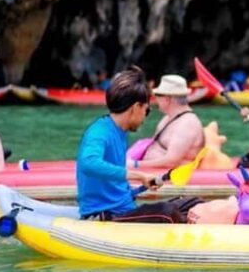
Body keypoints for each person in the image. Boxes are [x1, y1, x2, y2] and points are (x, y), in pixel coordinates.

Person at [77, 66, 201, 223]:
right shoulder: (99, 132)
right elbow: (88, 163)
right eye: (146, 110)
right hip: (105, 214)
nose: (145, 117)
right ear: (136, 108)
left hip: (125, 208)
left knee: (192, 202)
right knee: (166, 212)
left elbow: (116, 188)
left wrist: (138, 187)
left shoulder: (120, 131)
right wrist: (139, 175)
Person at [127, 74, 204, 170]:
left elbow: (171, 162)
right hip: (151, 171)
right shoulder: (168, 118)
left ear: (167, 99)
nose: (155, 99)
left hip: (166, 177)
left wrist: (136, 164)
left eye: (158, 95)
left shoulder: (186, 125)